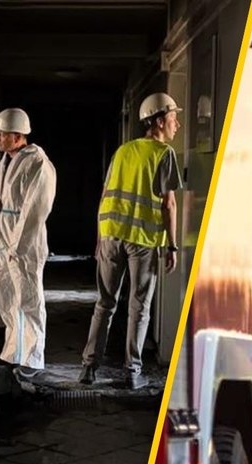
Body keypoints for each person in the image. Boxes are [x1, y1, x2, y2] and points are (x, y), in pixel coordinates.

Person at [79, 93, 184, 390]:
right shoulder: (164, 154)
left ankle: (88, 368)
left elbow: (105, 196)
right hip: (142, 240)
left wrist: (99, 239)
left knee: (105, 303)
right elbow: (169, 205)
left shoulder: (122, 151)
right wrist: (171, 245)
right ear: (160, 121)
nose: (177, 124)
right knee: (139, 307)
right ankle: (132, 372)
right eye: (174, 118)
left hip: (111, 234)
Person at [0, 108, 57, 380]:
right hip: (2, 232)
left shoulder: (37, 162)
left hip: (23, 240)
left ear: (18, 136)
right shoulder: (5, 161)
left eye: (2, 134)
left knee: (28, 298)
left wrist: (17, 245)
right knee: (8, 297)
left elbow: (35, 209)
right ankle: (12, 352)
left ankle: (33, 358)